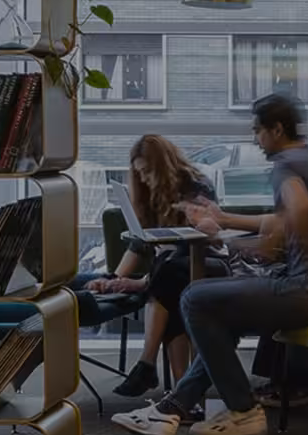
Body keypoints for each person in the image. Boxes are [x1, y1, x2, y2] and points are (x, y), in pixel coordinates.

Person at [114, 94, 308, 435]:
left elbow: (298, 213)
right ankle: (174, 408)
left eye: (258, 131)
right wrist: (223, 219)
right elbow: (294, 216)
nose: (255, 140)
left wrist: (250, 245)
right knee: (219, 309)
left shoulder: (286, 166)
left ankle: (243, 411)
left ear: (276, 129)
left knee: (194, 298)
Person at [85, 135, 219, 399]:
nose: (143, 179)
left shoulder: (197, 186)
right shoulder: (149, 195)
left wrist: (141, 283)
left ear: (162, 166)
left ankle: (148, 363)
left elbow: (191, 244)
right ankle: (182, 392)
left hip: (205, 263)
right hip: (169, 272)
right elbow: (139, 244)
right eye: (139, 173)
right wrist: (113, 279)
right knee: (171, 292)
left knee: (168, 278)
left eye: (147, 172)